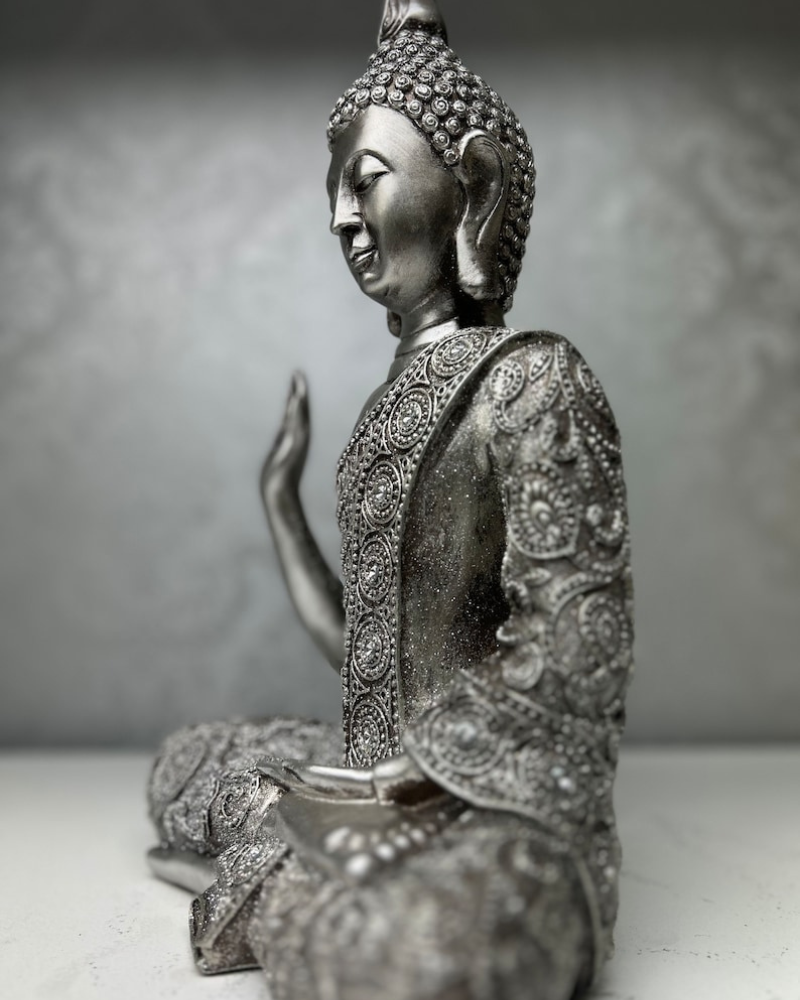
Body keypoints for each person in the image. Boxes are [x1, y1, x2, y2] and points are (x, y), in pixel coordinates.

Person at [146, 3, 634, 998]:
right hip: (368, 771)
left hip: (488, 800)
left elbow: (579, 659)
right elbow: (368, 656)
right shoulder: (384, 410)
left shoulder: (533, 381)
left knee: (419, 948)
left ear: (474, 188)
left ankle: (306, 883)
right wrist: (281, 506)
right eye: (332, 189)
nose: (339, 215)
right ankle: (310, 865)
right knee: (188, 760)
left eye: (363, 179)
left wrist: (416, 776)